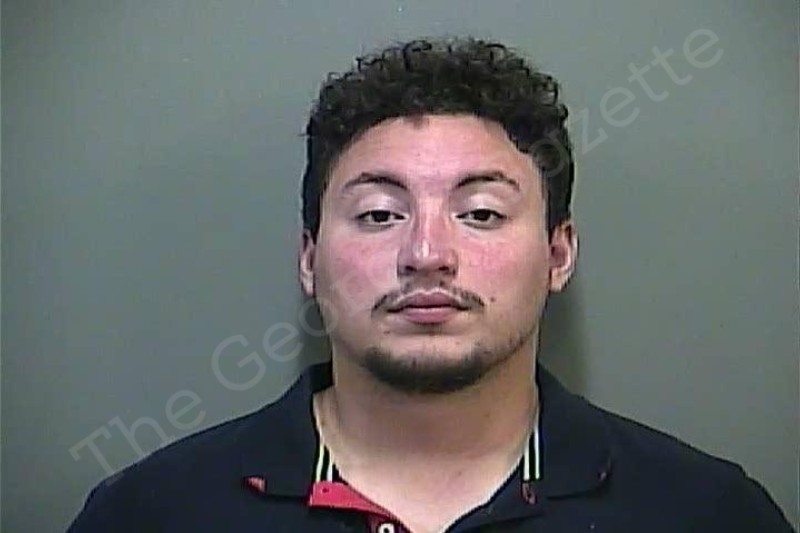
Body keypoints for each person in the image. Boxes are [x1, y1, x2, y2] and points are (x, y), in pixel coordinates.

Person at [67, 36, 794, 533]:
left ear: (558, 254)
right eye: (380, 214)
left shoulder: (709, 513)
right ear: (309, 259)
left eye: (481, 213)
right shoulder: (151, 512)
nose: (426, 253)